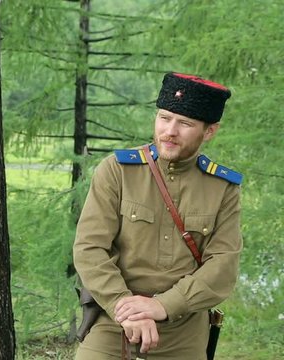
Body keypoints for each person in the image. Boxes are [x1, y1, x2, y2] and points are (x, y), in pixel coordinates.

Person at [73, 72, 242, 359]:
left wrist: (164, 305)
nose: (170, 131)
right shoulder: (117, 170)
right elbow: (90, 248)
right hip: (115, 321)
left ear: (209, 131)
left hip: (183, 329)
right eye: (164, 118)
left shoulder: (222, 187)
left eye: (184, 123)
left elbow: (222, 265)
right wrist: (125, 307)